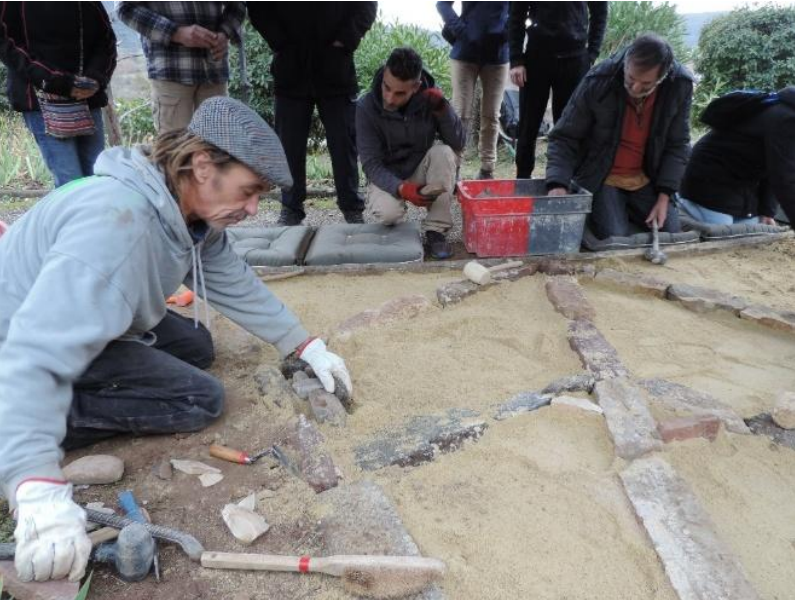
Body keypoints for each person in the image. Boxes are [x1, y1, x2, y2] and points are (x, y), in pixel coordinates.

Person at [0, 97, 352, 584]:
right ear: (203, 165)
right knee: (199, 398)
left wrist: (302, 343)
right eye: (249, 191)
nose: (253, 209)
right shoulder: (117, 228)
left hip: (85, 309)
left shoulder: (186, 205)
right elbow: (36, 350)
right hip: (19, 337)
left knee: (197, 346)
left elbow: (229, 275)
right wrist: (34, 482)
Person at [546, 34, 693, 240]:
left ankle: (629, 210)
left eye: (646, 85)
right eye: (630, 78)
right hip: (602, 176)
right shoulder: (599, 80)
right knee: (615, 236)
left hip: (647, 177)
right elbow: (564, 137)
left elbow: (678, 144)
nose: (635, 89)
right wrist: (558, 183)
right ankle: (610, 211)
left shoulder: (679, 85)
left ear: (662, 77)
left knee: (670, 232)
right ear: (626, 62)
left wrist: (664, 196)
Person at [248, 3, 377, 226]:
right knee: (289, 145)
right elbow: (258, 8)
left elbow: (366, 6)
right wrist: (280, 43)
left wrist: (346, 40)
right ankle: (290, 207)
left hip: (336, 65)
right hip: (290, 65)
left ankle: (352, 207)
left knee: (343, 142)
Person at [356, 47, 466, 259]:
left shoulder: (431, 99)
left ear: (415, 87)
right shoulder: (366, 107)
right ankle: (398, 232)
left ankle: (436, 229)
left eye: (399, 93)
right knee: (389, 214)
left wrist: (444, 111)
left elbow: (459, 142)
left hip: (420, 168)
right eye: (386, 87)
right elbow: (371, 165)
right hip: (387, 173)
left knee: (444, 152)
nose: (389, 98)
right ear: (384, 73)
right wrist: (402, 189)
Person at [0, 2, 117, 187]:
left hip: (87, 95)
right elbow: (6, 42)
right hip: (40, 96)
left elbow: (106, 38)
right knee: (71, 183)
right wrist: (57, 82)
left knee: (98, 180)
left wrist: (95, 78)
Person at [507, 2, 608, 179]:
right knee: (528, 125)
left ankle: (561, 180)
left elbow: (600, 13)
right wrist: (516, 60)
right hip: (536, 58)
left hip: (575, 60)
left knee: (569, 127)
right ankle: (522, 179)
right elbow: (516, 16)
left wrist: (591, 54)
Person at [117, 1, 245, 132]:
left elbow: (238, 6)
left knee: (217, 148)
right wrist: (174, 32)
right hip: (171, 72)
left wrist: (224, 33)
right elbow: (125, 9)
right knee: (176, 149)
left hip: (214, 72)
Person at [678, 87, 795, 226]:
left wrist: (767, 211)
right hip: (709, 184)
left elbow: (774, 167)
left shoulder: (782, 113)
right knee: (723, 241)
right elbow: (784, 177)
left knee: (755, 235)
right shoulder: (785, 119)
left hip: (741, 189)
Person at [436, 1, 510, 180]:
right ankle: (455, 168)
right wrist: (463, 32)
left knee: (491, 114)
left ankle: (487, 170)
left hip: (498, 55)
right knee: (461, 114)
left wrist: (505, 33)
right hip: (465, 54)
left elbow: (522, 11)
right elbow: (442, 5)